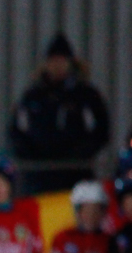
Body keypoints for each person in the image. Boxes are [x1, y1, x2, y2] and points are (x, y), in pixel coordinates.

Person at [9, 33, 111, 195]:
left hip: (75, 177)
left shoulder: (86, 95)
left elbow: (101, 131)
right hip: (39, 180)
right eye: (53, 60)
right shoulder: (33, 96)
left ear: (70, 62)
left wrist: (78, 158)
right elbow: (15, 132)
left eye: (62, 60)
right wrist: (33, 160)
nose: (57, 65)